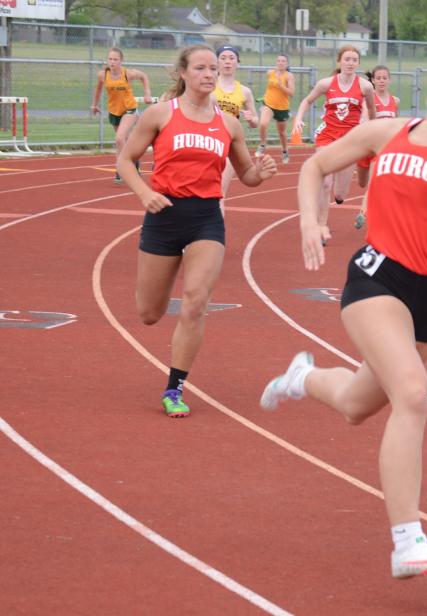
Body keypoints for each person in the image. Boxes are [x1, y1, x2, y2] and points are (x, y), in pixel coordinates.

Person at [259, 54, 427, 578]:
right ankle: (408, 543)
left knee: (359, 405)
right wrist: (309, 222)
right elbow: (316, 164)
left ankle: (303, 377)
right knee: (411, 392)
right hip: (377, 277)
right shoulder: (387, 131)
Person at [118, 45, 277, 418]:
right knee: (149, 313)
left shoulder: (229, 124)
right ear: (184, 74)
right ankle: (168, 354)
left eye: (211, 69)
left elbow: (247, 175)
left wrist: (261, 171)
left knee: (195, 300)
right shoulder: (161, 114)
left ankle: (174, 387)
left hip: (206, 217)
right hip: (164, 215)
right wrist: (145, 193)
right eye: (201, 68)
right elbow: (126, 159)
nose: (208, 74)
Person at [291, 45, 375, 208]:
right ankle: (320, 222)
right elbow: (307, 100)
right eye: (347, 59)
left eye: (354, 60)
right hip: (328, 136)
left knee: (340, 193)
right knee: (325, 182)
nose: (350, 63)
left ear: (358, 63)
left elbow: (371, 109)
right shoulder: (326, 83)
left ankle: (338, 195)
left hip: (350, 139)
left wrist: (370, 127)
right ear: (339, 62)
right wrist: (298, 118)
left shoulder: (365, 86)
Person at [90, 47, 153, 184]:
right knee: (125, 141)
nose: (112, 62)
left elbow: (143, 76)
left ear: (121, 61)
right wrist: (94, 105)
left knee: (119, 139)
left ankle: (123, 166)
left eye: (115, 59)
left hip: (129, 109)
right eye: (110, 59)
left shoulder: (128, 74)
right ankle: (134, 161)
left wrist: (147, 93)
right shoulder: (103, 75)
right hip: (114, 112)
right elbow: (98, 89)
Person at [354, 64, 400, 230]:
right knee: (362, 183)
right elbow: (365, 120)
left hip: (381, 150)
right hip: (366, 147)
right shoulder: (368, 100)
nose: (381, 81)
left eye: (384, 78)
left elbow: (397, 124)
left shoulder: (395, 101)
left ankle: (363, 213)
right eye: (378, 78)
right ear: (372, 80)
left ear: (389, 80)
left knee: (375, 184)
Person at [213, 44, 259, 209]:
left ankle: (217, 234)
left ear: (237, 63)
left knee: (219, 193)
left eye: (231, 58)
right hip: (207, 142)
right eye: (223, 58)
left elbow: (255, 123)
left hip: (229, 145)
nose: (227, 62)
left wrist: (251, 118)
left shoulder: (244, 92)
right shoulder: (208, 85)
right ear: (216, 62)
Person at [256, 53, 296, 165]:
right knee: (263, 123)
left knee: (282, 133)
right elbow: (269, 87)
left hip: (282, 108)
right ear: (276, 62)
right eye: (279, 60)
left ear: (286, 63)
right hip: (268, 104)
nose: (280, 63)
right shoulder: (270, 73)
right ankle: (262, 145)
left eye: (283, 61)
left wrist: (281, 86)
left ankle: (285, 151)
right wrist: (265, 97)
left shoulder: (289, 76)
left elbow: (292, 93)